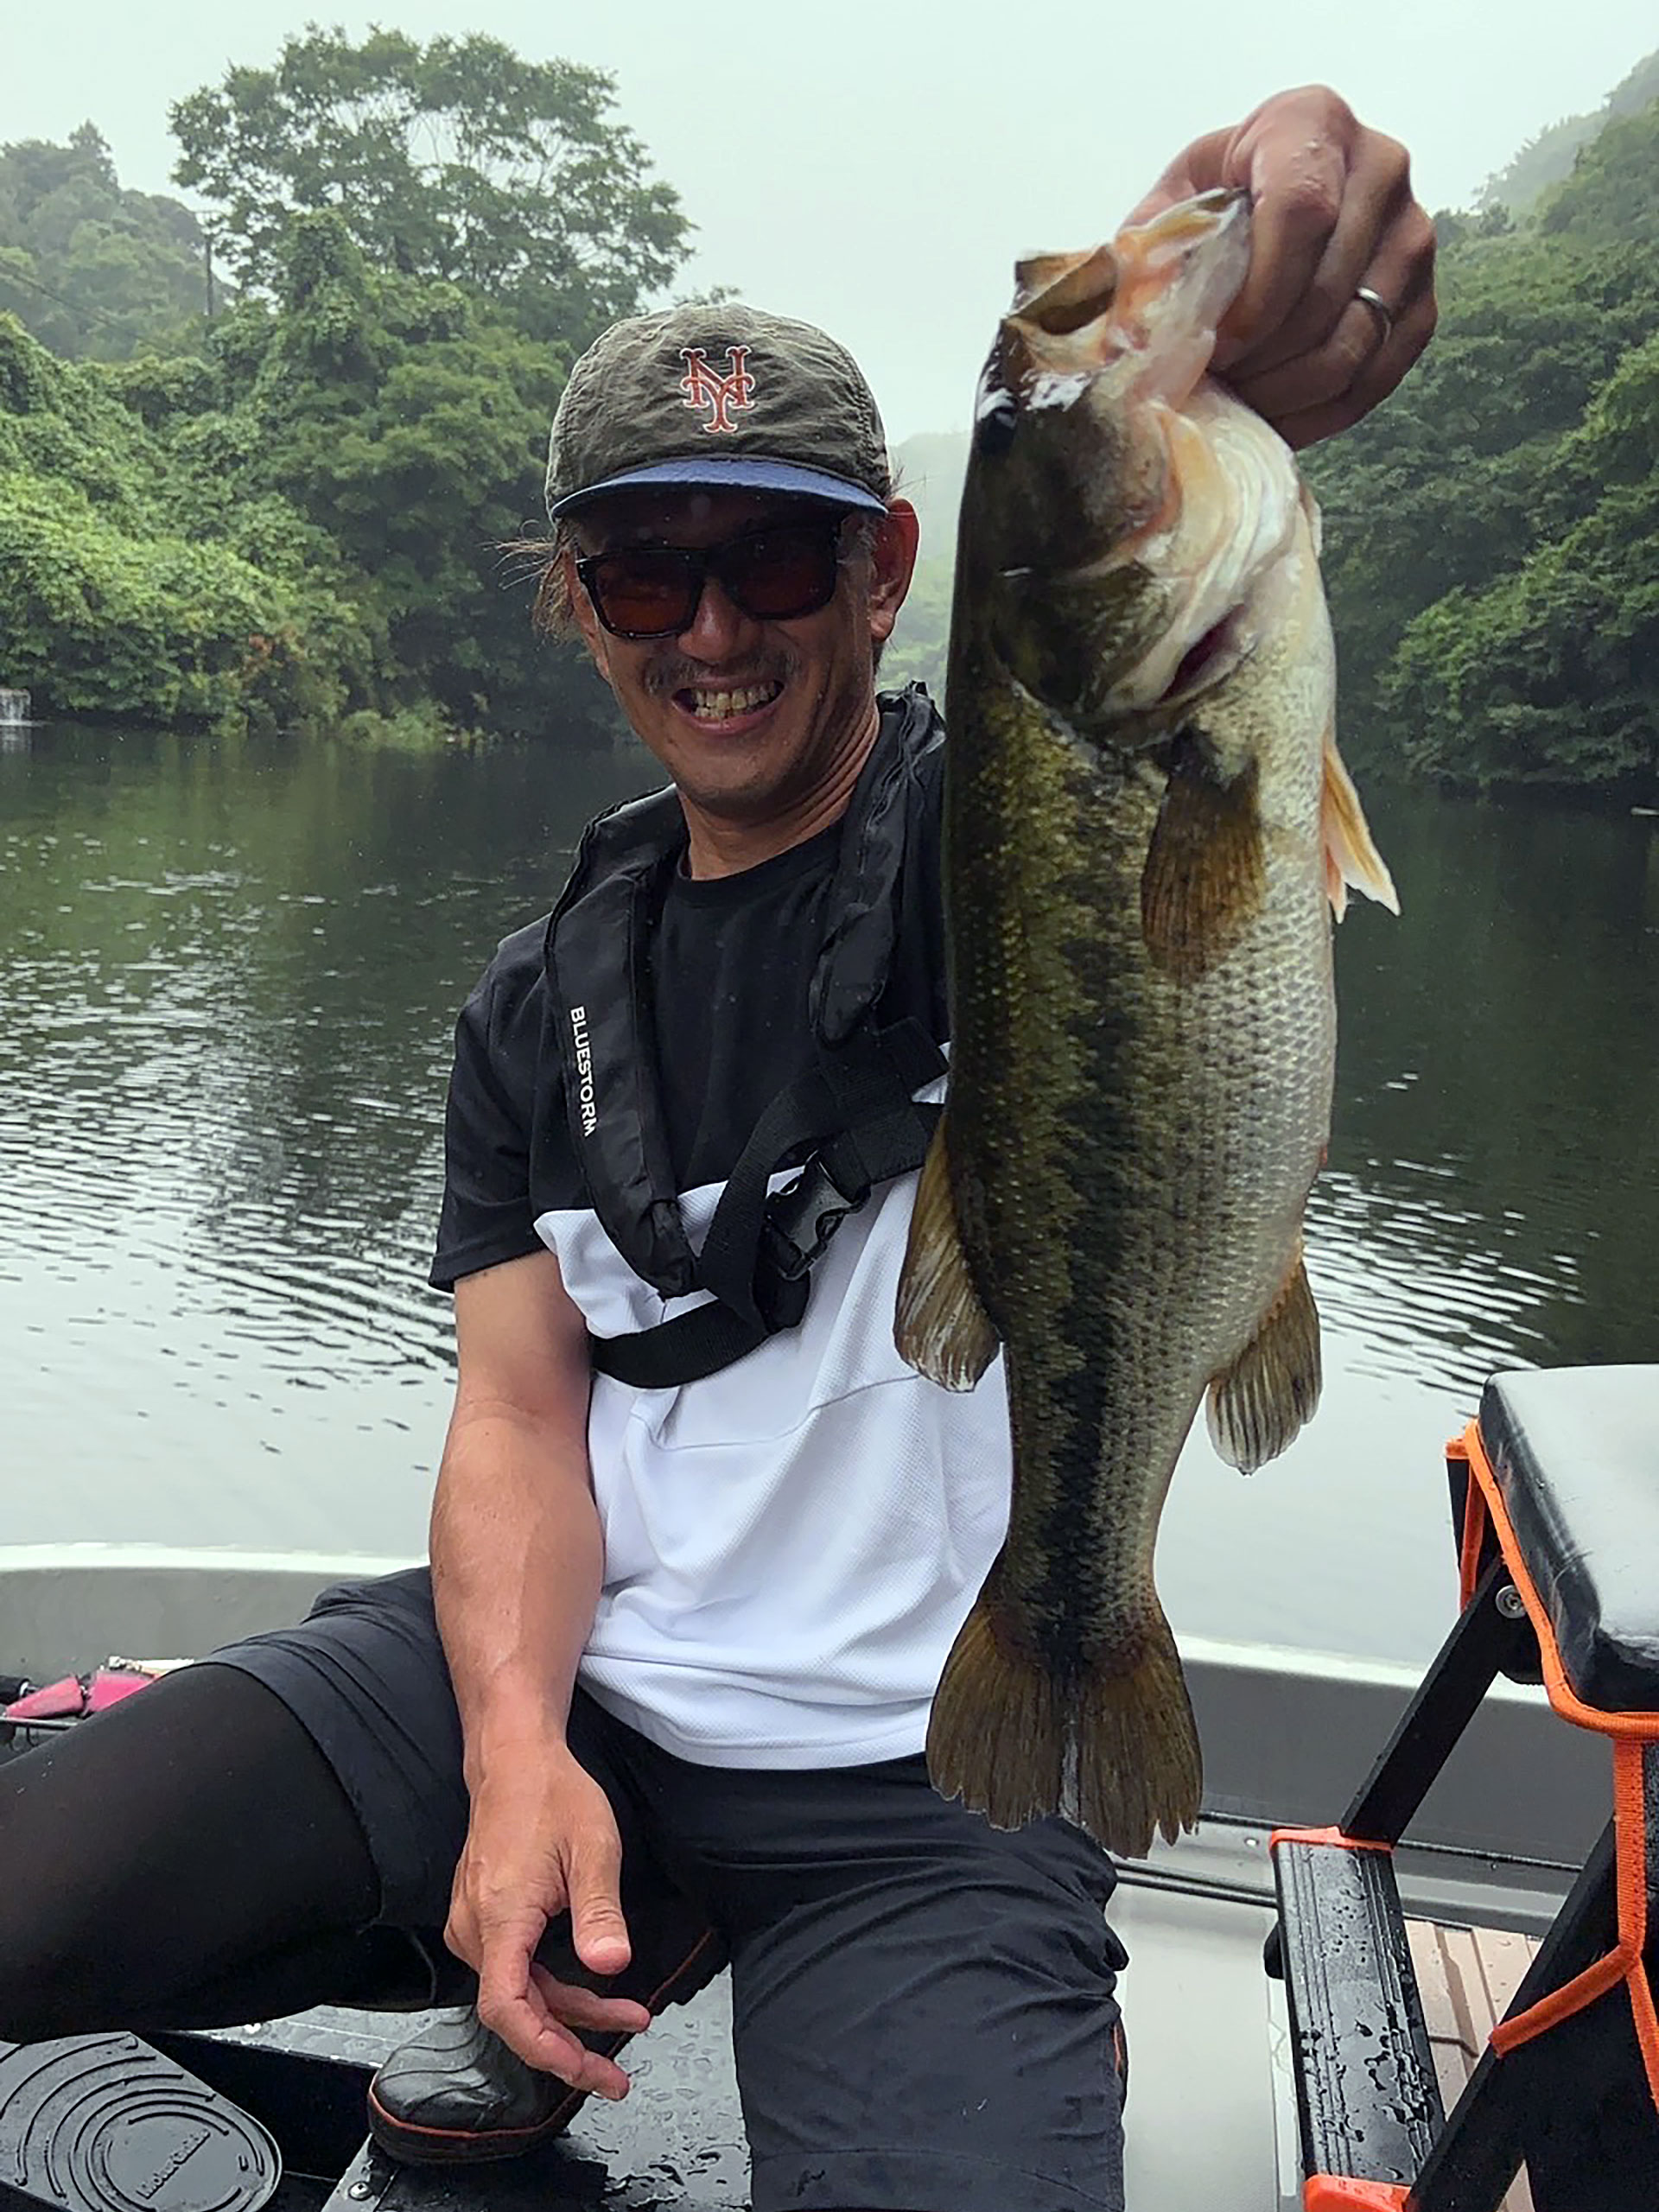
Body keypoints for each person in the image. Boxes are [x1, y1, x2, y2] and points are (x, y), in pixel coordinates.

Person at [0, 85, 1434, 2212]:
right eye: (643, 569)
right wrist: (514, 1760)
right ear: (576, 602)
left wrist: (1263, 255)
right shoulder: (534, 1002)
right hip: (588, 1688)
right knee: (34, 1901)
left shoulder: (998, 835)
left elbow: (1159, 628)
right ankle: (582, 1911)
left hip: (931, 1776)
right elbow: (516, 1419)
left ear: (885, 570)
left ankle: (800, 1960)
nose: (710, 627)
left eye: (768, 556)